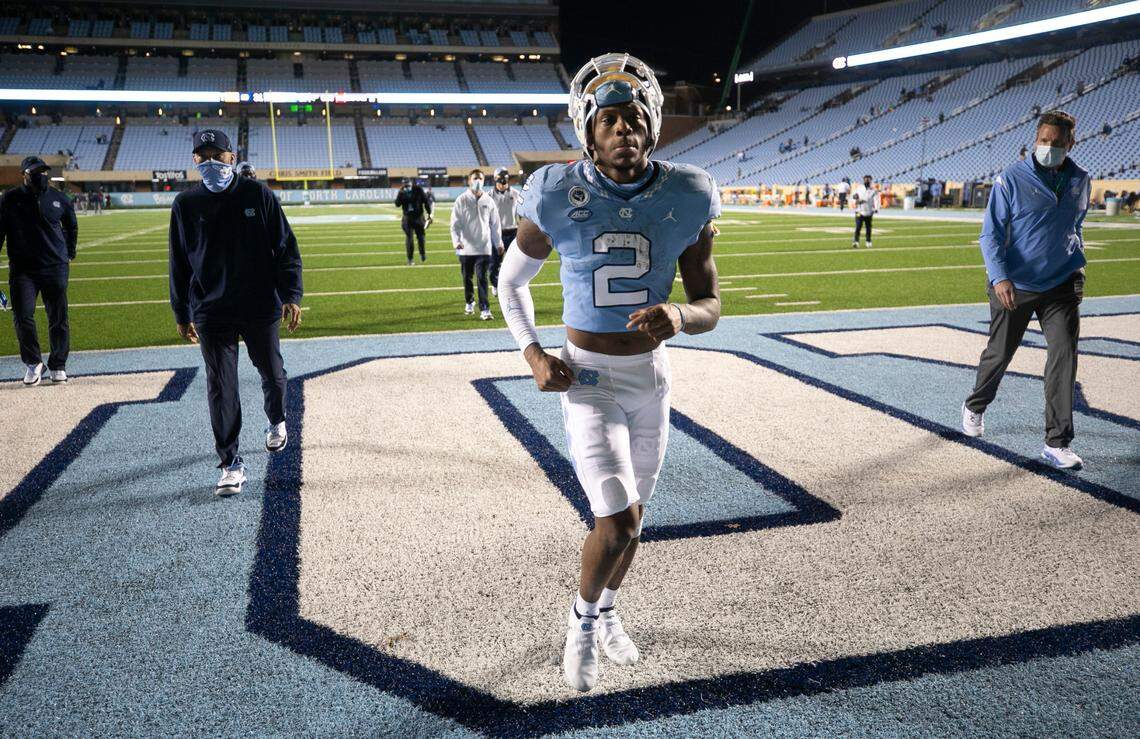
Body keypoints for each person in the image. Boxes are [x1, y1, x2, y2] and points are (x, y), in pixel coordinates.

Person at [497, 53, 721, 693]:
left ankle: (611, 614)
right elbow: (510, 284)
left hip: (651, 378)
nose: (623, 130)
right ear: (588, 131)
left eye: (633, 118)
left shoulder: (689, 191)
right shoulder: (553, 191)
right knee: (616, 519)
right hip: (587, 379)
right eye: (610, 121)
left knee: (635, 519)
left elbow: (711, 304)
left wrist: (680, 315)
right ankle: (580, 624)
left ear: (651, 125)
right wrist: (534, 353)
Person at [168, 129, 303, 495]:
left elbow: (285, 248)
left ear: (232, 156)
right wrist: (181, 311)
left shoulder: (257, 194)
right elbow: (179, 262)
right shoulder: (184, 204)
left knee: (273, 373)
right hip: (211, 309)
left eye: (217, 154)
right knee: (221, 386)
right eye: (202, 155)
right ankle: (230, 463)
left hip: (259, 304)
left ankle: (276, 420)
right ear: (195, 160)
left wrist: (291, 293)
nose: (210, 161)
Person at [962, 110, 1090, 470]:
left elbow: (1075, 225)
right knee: (1000, 354)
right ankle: (975, 405)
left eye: (1056, 142)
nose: (1048, 147)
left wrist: (1075, 261)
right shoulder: (1011, 178)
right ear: (1036, 139)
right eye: (1043, 141)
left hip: (1062, 284)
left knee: (1064, 356)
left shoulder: (1081, 179)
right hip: (1014, 285)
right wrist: (999, 277)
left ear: (1070, 142)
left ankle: (1057, 442)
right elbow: (990, 234)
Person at [0, 156, 77, 385]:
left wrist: (69, 253)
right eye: (35, 172)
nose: (41, 175)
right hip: (23, 270)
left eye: (43, 171)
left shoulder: (59, 198)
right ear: (24, 174)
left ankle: (58, 365)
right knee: (22, 317)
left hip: (55, 267)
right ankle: (33, 363)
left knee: (58, 317)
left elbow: (71, 226)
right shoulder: (9, 199)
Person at [450, 169, 501, 320]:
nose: (478, 181)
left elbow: (495, 224)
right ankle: (469, 301)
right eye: (475, 178)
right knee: (467, 278)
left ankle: (485, 309)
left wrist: (498, 243)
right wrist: (456, 241)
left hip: (484, 247)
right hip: (465, 247)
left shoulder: (489, 200)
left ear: (484, 181)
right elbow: (455, 224)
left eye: (480, 178)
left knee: (482, 277)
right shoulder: (461, 200)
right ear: (469, 181)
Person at [488, 166, 521, 296]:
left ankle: (514, 286)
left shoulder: (516, 194)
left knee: (515, 264)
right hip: (497, 234)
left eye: (505, 182)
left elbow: (522, 214)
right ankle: (496, 285)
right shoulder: (489, 196)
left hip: (513, 232)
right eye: (500, 182)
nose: (503, 185)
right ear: (495, 181)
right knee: (494, 264)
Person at [395, 177, 433, 265]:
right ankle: (410, 259)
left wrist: (429, 214)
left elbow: (425, 201)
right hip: (408, 218)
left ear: (411, 183)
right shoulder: (402, 192)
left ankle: (422, 253)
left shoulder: (418, 189)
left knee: (421, 237)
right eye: (405, 184)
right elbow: (397, 204)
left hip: (418, 217)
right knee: (409, 238)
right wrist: (400, 194)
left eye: (407, 184)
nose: (407, 186)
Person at [851, 174, 879, 248]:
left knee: (868, 227)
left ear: (870, 180)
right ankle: (856, 241)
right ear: (863, 180)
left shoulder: (873, 190)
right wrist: (856, 201)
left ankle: (868, 241)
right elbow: (853, 197)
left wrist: (876, 208)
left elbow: (876, 199)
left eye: (868, 179)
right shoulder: (859, 188)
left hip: (869, 211)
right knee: (858, 227)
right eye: (865, 179)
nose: (866, 180)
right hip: (859, 211)